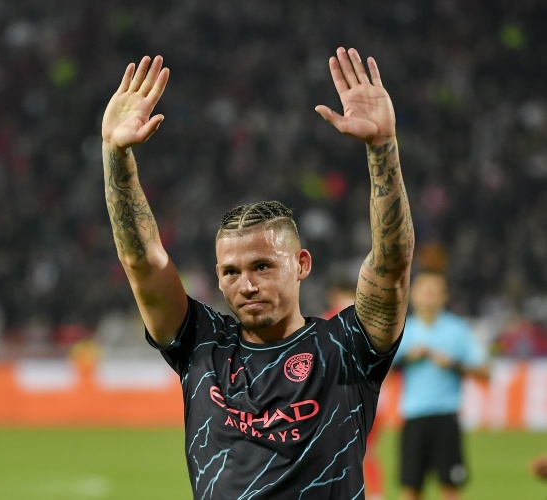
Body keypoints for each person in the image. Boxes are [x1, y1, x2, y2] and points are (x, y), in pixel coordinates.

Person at [101, 47, 414, 499]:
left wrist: (382, 148)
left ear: (301, 264)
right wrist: (116, 154)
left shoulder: (347, 347)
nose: (246, 285)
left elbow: (391, 263)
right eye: (231, 271)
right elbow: (142, 263)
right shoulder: (201, 347)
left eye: (263, 266)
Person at [394, 270, 490, 500]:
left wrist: (453, 364)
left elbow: (485, 371)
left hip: (446, 416)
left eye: (434, 292)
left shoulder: (458, 330)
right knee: (411, 488)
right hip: (413, 416)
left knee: (450, 486)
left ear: (444, 296)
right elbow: (380, 372)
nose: (429, 297)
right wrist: (406, 358)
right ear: (413, 295)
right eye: (424, 291)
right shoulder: (402, 331)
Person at [321, 275, 386, 500]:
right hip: (374, 397)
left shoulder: (330, 319)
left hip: (341, 400)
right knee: (369, 452)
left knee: (339, 453)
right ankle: (376, 495)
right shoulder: (373, 317)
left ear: (334, 294)